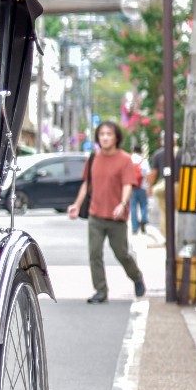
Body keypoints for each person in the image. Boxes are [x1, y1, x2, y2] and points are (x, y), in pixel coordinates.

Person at [67, 120, 147, 303]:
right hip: (96, 214)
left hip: (116, 216)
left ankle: (136, 277)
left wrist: (123, 203)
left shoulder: (125, 159)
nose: (105, 137)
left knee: (121, 253)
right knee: (94, 254)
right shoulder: (93, 158)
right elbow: (87, 184)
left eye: (109, 134)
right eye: (102, 134)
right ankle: (101, 291)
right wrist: (77, 205)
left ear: (116, 137)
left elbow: (128, 183)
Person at [128, 141, 151, 237]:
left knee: (133, 207)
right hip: (142, 187)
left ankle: (134, 228)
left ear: (133, 150)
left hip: (131, 187)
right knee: (144, 205)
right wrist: (149, 186)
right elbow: (147, 174)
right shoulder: (143, 160)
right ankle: (144, 220)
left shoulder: (129, 159)